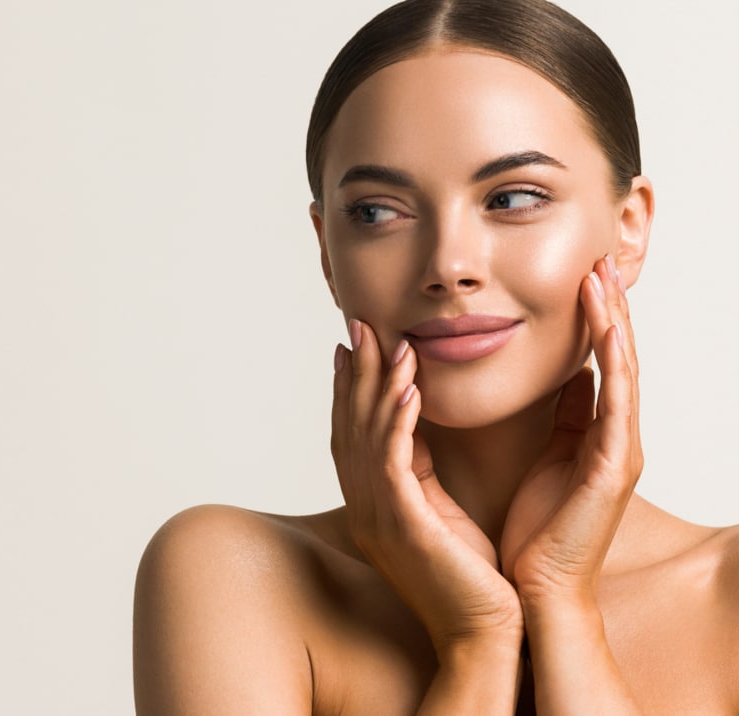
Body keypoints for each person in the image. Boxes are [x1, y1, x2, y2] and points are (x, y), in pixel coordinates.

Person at [132, 0, 739, 712]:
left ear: (628, 228)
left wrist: (563, 606)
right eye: (378, 211)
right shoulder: (234, 576)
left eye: (513, 197)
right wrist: (476, 638)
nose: (449, 265)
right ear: (327, 251)